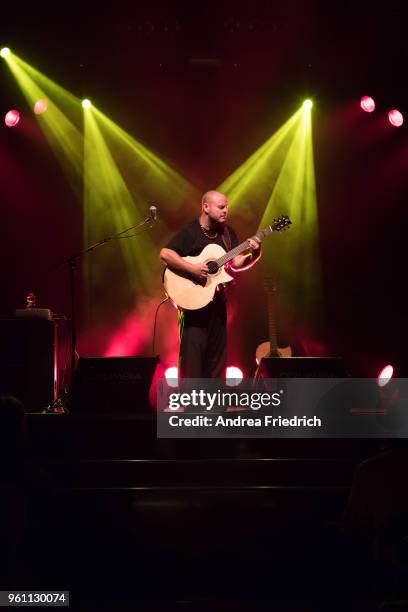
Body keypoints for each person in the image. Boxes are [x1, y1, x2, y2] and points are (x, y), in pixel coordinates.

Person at [160, 190, 261, 379]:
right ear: (205, 207)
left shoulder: (228, 234)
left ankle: (214, 405)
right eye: (221, 207)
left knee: (217, 358)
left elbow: (237, 264)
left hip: (217, 305)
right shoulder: (190, 231)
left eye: (227, 207)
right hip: (193, 307)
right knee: (192, 358)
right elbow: (165, 254)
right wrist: (192, 268)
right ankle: (192, 405)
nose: (226, 211)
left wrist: (255, 253)